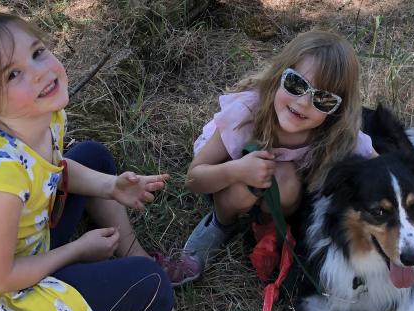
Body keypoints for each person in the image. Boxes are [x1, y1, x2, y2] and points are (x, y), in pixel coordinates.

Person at [0, 12, 248, 311]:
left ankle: (138, 253)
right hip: (5, 304)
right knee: (146, 284)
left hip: (28, 243)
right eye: (12, 74)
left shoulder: (43, 116)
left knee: (92, 156)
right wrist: (77, 251)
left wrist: (112, 186)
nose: (38, 72)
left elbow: (53, 169)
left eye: (37, 52)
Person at [158, 30, 376, 285]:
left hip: (281, 181)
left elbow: (383, 168)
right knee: (242, 190)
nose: (303, 102)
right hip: (223, 175)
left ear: (338, 109)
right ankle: (221, 222)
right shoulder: (247, 113)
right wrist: (236, 171)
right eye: (296, 84)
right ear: (279, 74)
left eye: (323, 99)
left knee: (286, 183)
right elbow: (194, 178)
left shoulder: (337, 133)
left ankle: (264, 224)